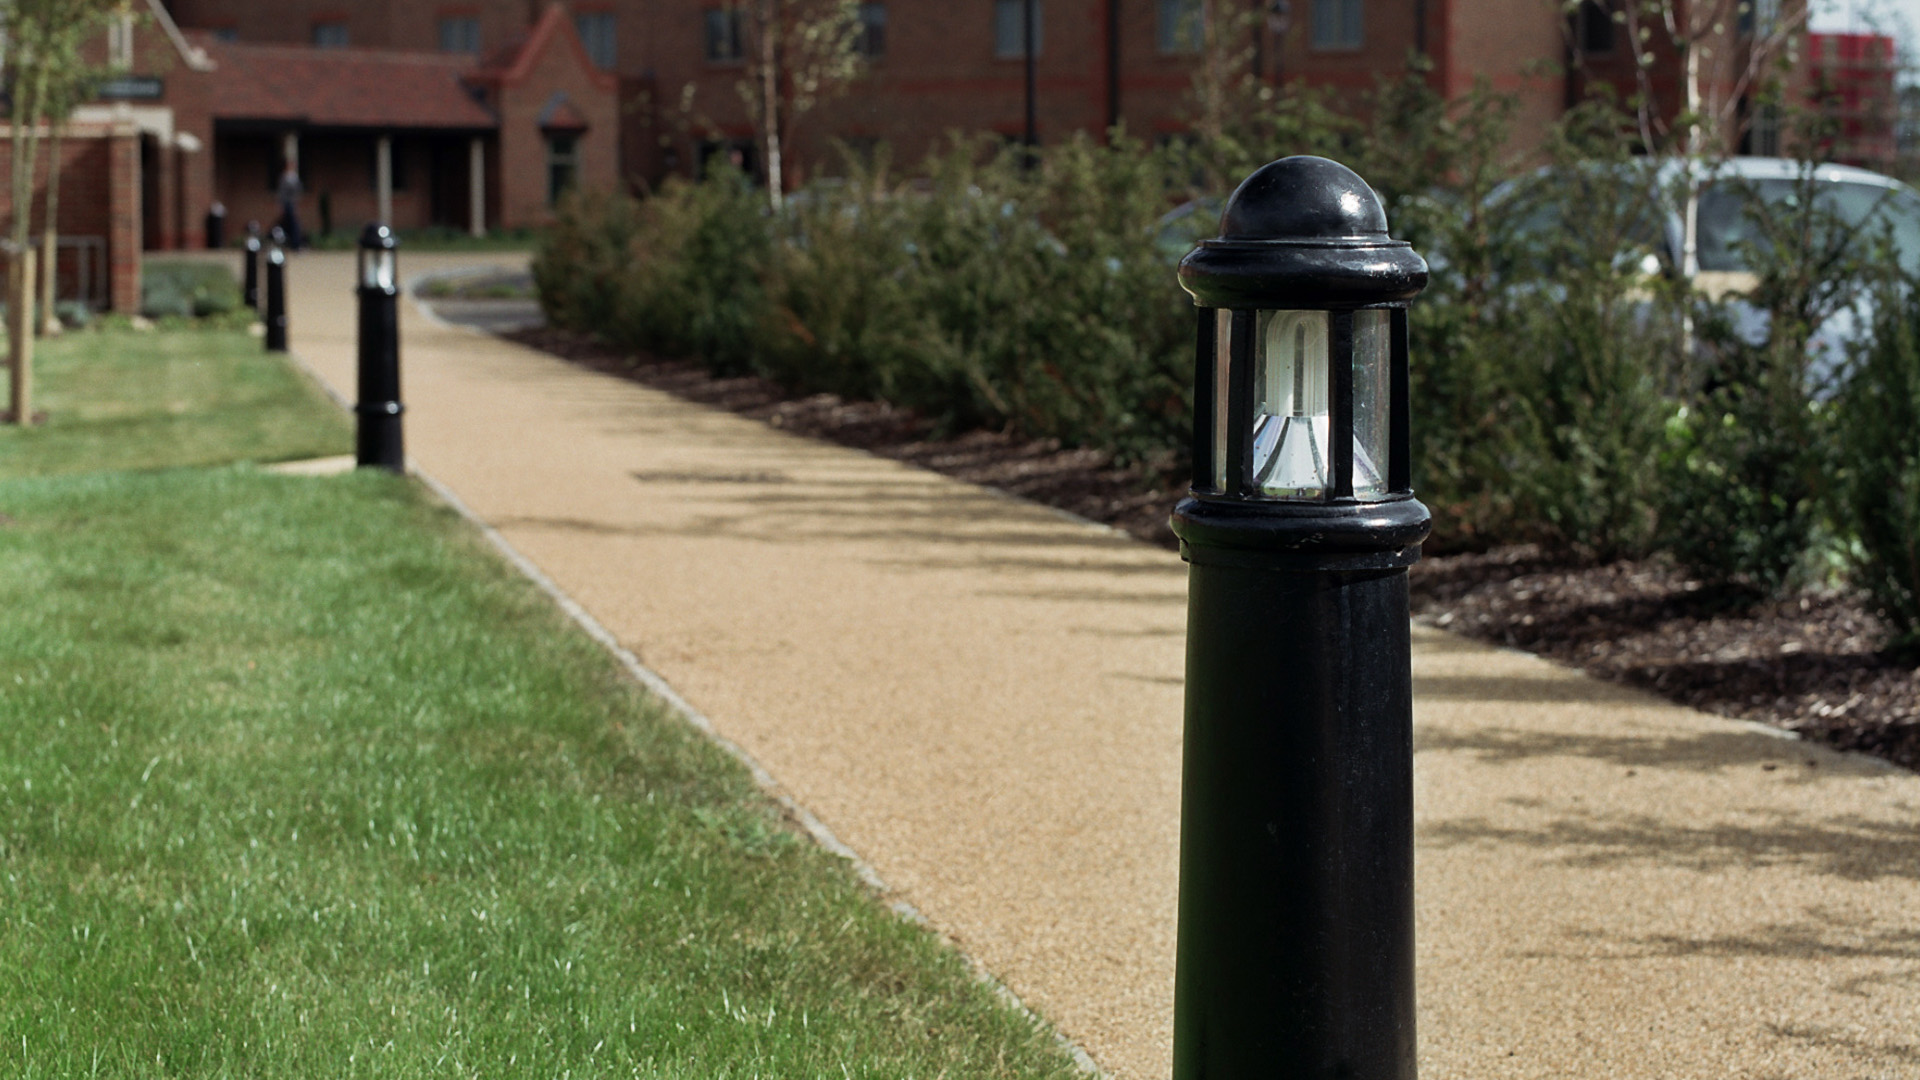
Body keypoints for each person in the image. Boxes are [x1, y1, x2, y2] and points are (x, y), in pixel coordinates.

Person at [276, 164, 305, 250]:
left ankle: (293, 244)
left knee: (292, 225)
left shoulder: (292, 177)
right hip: (287, 204)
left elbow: (299, 189)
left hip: (291, 203)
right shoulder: (285, 178)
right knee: (292, 225)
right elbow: (282, 193)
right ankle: (293, 245)